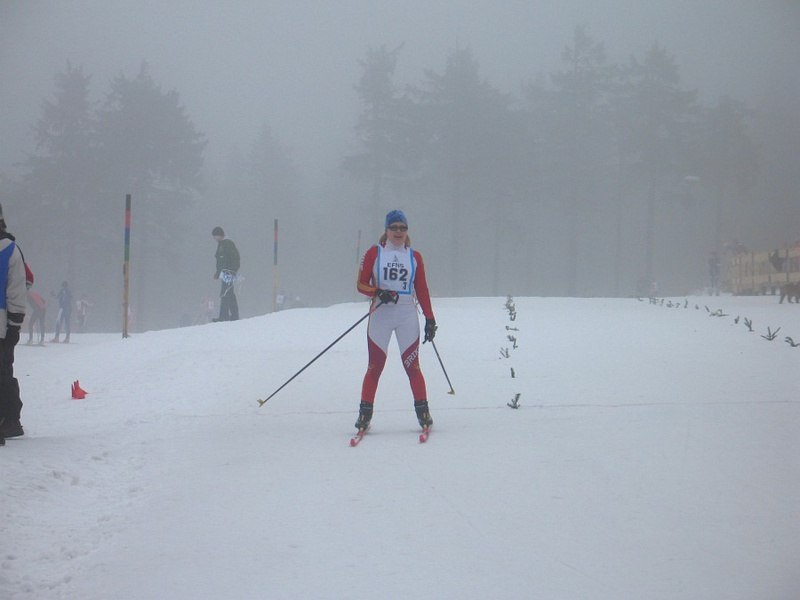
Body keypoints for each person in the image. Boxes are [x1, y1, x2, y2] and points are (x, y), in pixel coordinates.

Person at [354, 209, 437, 432]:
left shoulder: (414, 257)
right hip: (381, 314)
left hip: (406, 314)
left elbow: (422, 289)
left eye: (402, 228)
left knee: (413, 366)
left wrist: (430, 318)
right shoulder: (375, 252)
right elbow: (361, 284)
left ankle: (423, 412)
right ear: (387, 230)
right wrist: (378, 292)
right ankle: (364, 414)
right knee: (375, 366)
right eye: (394, 228)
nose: (398, 232)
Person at [0, 204, 28, 440]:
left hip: (2, 326)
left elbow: (17, 288)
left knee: (2, 373)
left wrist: (14, 324)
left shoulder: (9, 249)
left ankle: (10, 420)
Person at [212, 226, 240, 321]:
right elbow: (221, 261)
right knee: (229, 293)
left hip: (228, 273)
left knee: (224, 293)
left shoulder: (227, 244)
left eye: (215, 236)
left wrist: (232, 271)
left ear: (219, 235)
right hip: (225, 273)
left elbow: (232, 259)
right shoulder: (222, 244)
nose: (214, 238)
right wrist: (218, 273)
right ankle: (234, 315)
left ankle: (223, 316)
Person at [26, 266, 46, 345]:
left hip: (38, 309)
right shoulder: (34, 293)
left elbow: (34, 305)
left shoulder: (28, 296)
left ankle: (30, 340)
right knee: (41, 324)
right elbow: (43, 301)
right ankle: (42, 340)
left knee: (30, 324)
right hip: (43, 309)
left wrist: (36, 310)